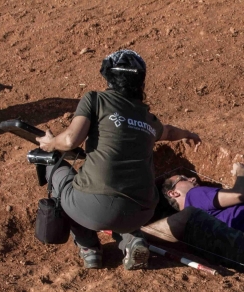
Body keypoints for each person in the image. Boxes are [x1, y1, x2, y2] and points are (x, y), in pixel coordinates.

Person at [35, 49, 200, 270]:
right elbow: (169, 132)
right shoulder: (147, 117)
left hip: (93, 208)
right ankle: (132, 240)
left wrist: (50, 143)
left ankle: (89, 248)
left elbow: (70, 141)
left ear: (108, 77)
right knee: (118, 205)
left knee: (55, 170)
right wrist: (188, 133)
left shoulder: (95, 99)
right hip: (142, 211)